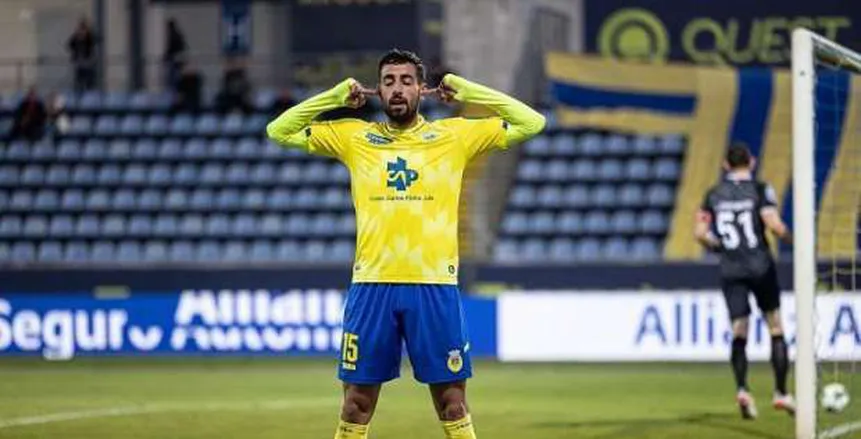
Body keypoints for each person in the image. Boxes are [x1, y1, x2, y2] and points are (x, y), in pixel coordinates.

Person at [266, 49, 544, 439]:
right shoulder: (355, 137)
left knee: (453, 404)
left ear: (421, 89)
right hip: (371, 286)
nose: (397, 89)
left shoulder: (453, 136)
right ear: (377, 90)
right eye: (389, 81)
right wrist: (333, 97)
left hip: (434, 285)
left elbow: (532, 122)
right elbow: (278, 131)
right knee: (355, 405)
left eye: (406, 81)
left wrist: (470, 92)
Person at [694, 143, 795, 420]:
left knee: (739, 330)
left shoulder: (713, 194)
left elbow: (700, 233)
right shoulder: (760, 190)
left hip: (731, 269)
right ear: (751, 162)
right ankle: (780, 392)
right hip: (760, 266)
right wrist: (795, 240)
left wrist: (719, 246)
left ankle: (743, 389)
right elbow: (773, 224)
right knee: (775, 326)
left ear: (725, 165)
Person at [67, 18, 97, 92]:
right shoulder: (76, 38)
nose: (82, 32)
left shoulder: (89, 38)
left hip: (88, 62)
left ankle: (89, 89)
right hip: (79, 61)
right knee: (79, 78)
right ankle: (80, 90)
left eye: (84, 30)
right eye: (81, 30)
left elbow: (93, 44)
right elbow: (70, 45)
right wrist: (77, 37)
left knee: (89, 78)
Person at [163, 19, 188, 90]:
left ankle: (174, 89)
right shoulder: (177, 34)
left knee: (173, 75)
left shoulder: (173, 35)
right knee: (176, 74)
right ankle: (176, 88)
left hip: (175, 58)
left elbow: (171, 47)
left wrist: (167, 56)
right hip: (178, 57)